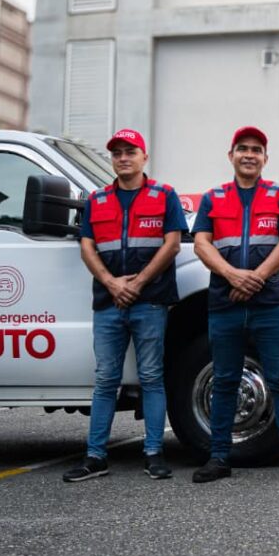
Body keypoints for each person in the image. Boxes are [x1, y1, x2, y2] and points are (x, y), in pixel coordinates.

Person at [189, 126, 279, 483]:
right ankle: (219, 457)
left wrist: (255, 277)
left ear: (265, 159)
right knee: (225, 379)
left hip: (271, 304)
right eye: (242, 148)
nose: (249, 154)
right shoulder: (213, 198)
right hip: (225, 304)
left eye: (256, 150)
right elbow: (201, 243)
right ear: (231, 156)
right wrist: (233, 276)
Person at [63, 129, 185, 482]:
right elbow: (87, 246)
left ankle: (153, 453)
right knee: (105, 379)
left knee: (151, 377)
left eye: (130, 151)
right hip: (109, 302)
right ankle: (95, 457)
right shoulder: (97, 199)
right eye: (117, 153)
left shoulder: (165, 195)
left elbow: (173, 244)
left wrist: (139, 282)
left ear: (144, 157)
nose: (123, 158)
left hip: (150, 301)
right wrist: (112, 283)